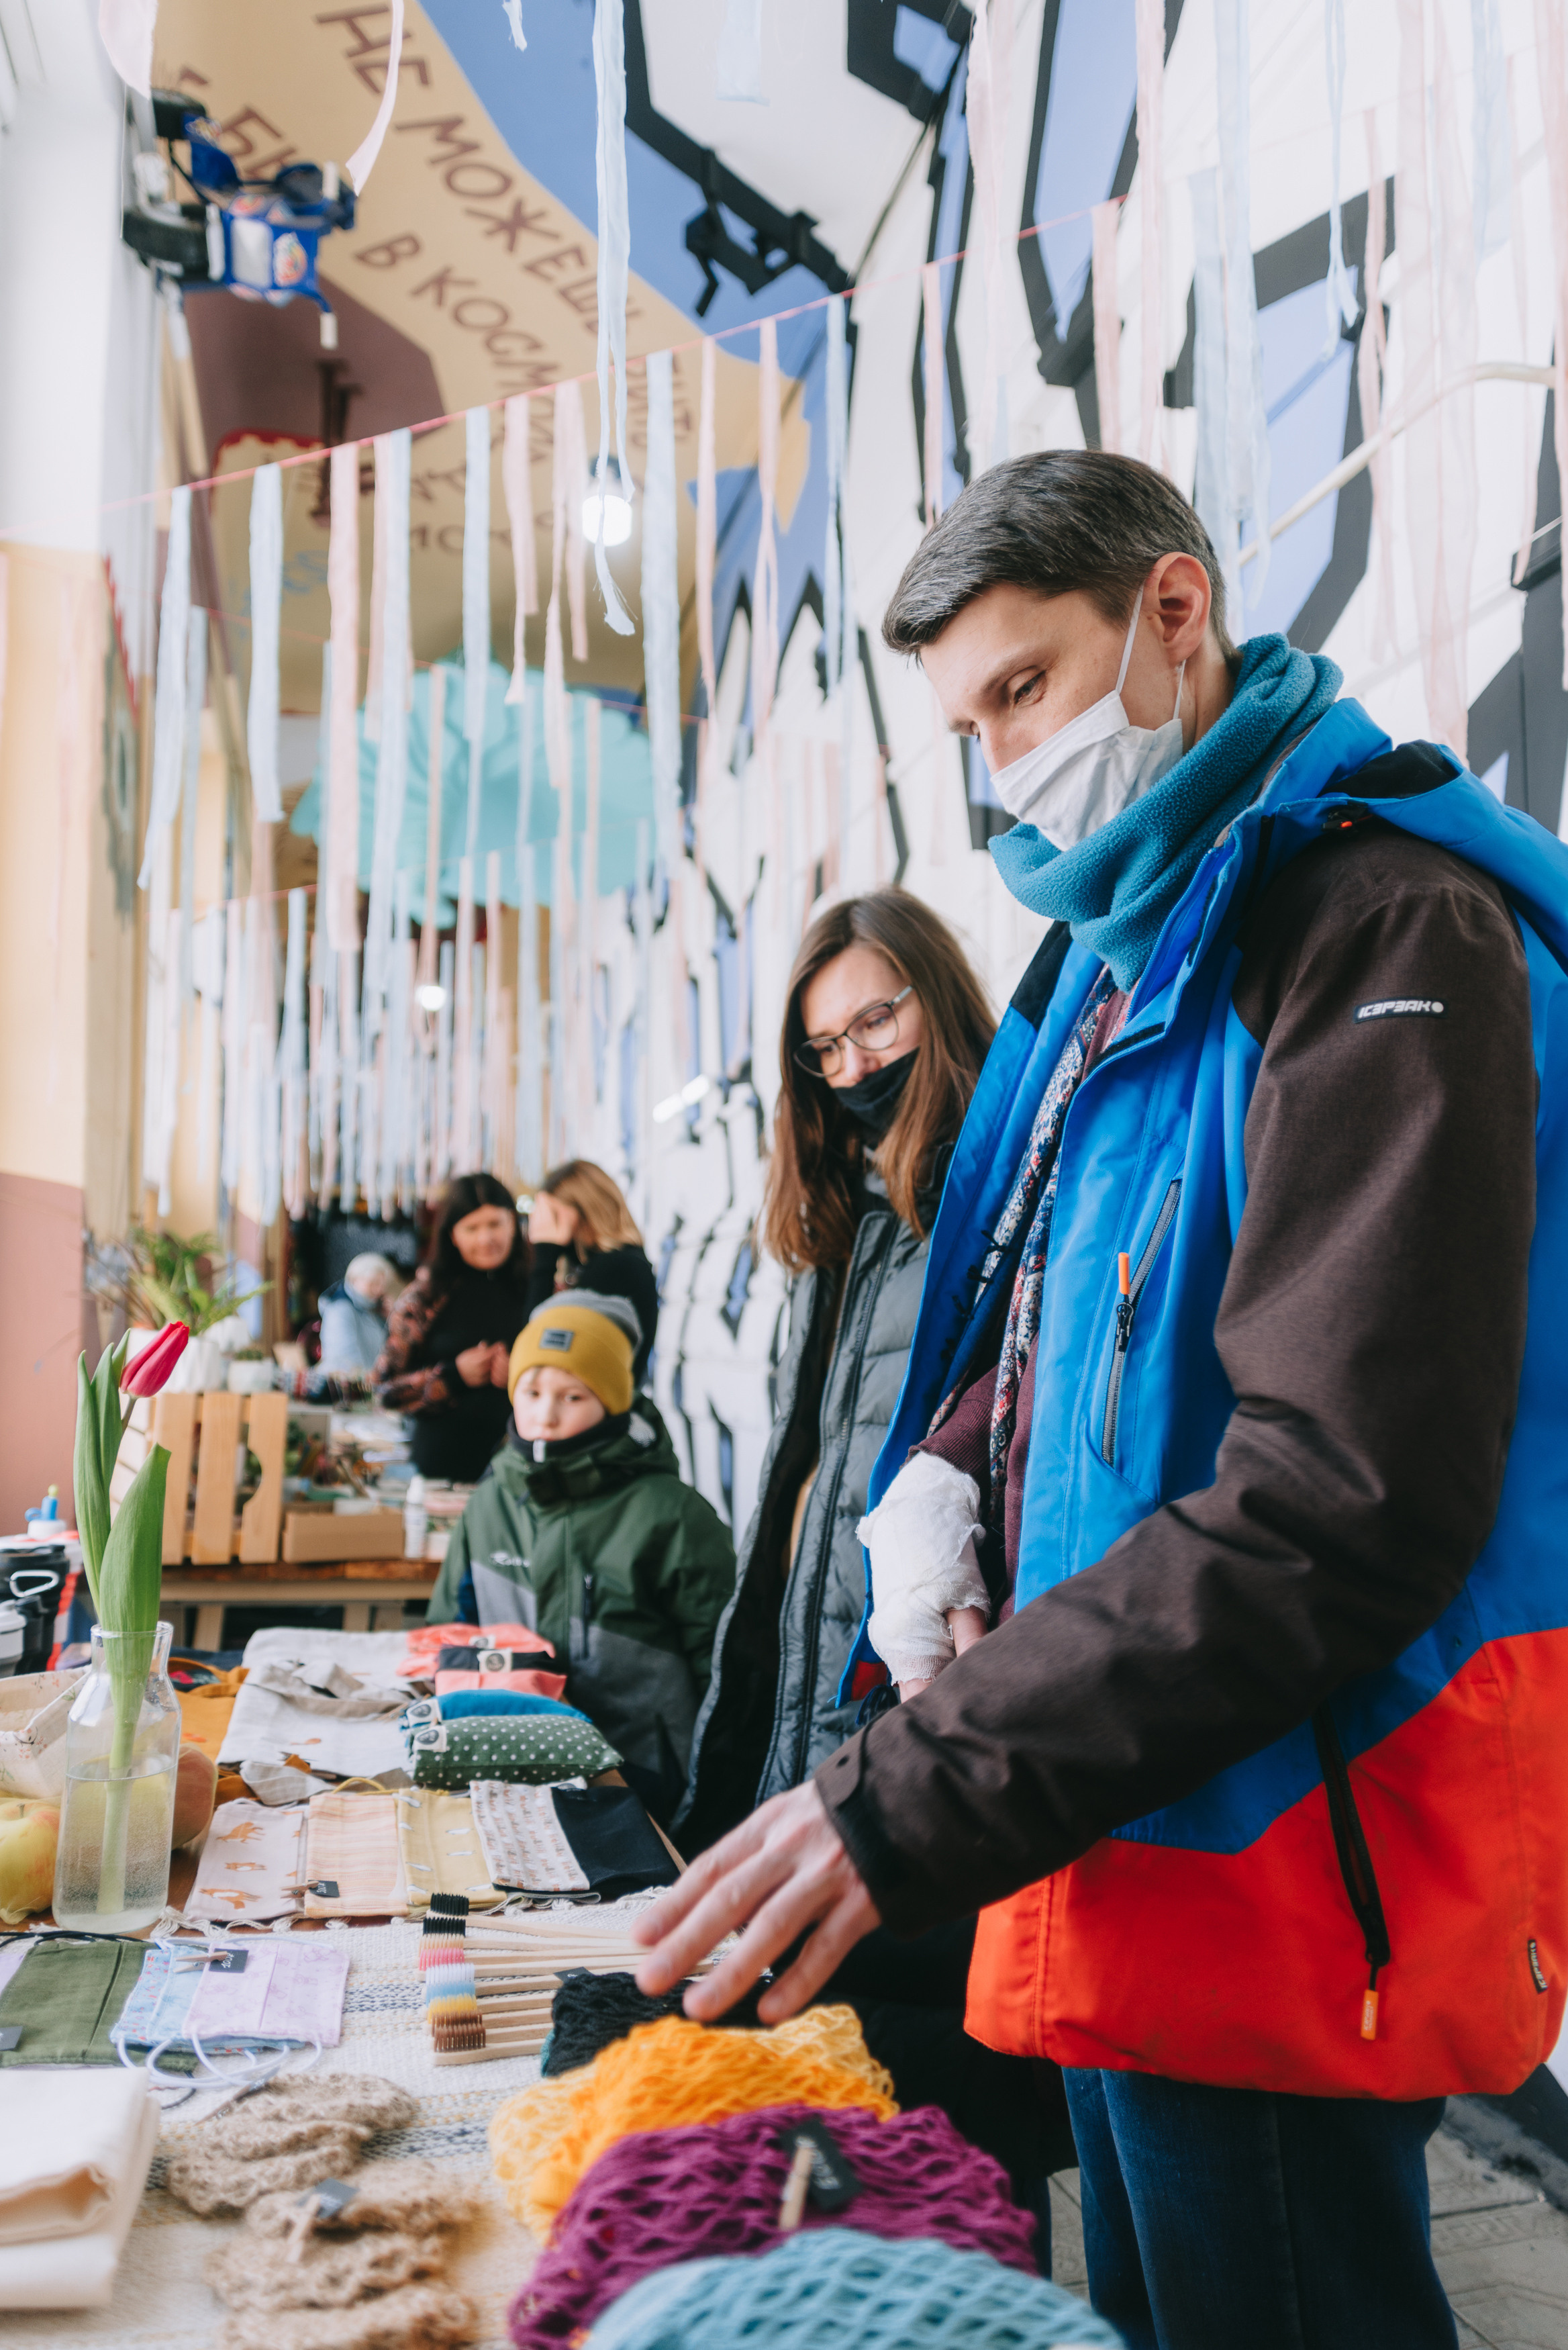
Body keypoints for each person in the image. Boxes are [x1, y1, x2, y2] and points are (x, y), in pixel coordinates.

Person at [634, 450, 1568, 2350]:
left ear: (1172, 610)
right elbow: (1083, 1336)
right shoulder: (1140, 963)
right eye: (970, 719)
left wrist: (905, 1795)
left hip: (1297, 1855)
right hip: (1131, 1817)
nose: (1005, 765)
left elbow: (1343, 1492)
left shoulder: (1382, 930)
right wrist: (950, 1488)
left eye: (1024, 689)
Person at [678, 888, 995, 1852]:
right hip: (809, 1650)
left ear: (932, 999)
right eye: (824, 1047)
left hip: (923, 1662)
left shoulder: (997, 1198)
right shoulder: (841, 1222)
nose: (853, 1065)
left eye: (874, 1020)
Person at [426, 1293, 736, 1822]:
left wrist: (719, 1798)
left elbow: (726, 1672)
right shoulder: (489, 1501)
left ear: (612, 1403)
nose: (545, 1413)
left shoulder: (674, 1516)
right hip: (511, 1765)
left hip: (646, 1778)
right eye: (532, 1390)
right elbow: (449, 1630)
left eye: (573, 1397)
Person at [375, 1173, 533, 1484]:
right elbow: (385, 1390)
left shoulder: (539, 1290)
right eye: (472, 1228)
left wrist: (521, 1378)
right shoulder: (425, 1297)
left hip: (522, 1472)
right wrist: (452, 1376)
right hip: (440, 1473)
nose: (486, 1239)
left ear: (514, 1224)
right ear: (452, 1235)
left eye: (495, 1224)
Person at [524, 1161, 660, 1385]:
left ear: (583, 1210)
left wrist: (545, 1253)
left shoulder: (616, 1268)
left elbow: (537, 1346)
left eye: (551, 1214)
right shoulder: (622, 1263)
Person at [315, 1253, 404, 1378]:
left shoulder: (372, 1310)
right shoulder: (340, 1310)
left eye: (381, 1285)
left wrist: (391, 1318)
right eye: (373, 1283)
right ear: (355, 1279)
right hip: (345, 1387)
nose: (378, 1290)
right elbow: (346, 1359)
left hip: (366, 1386)